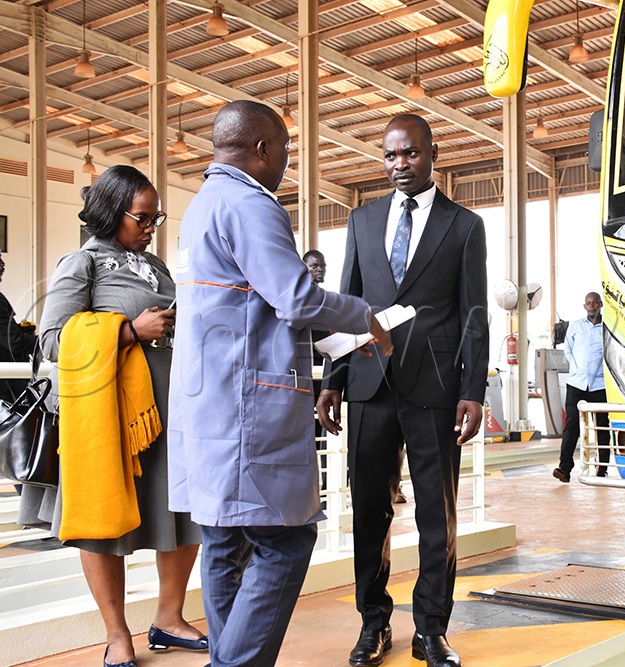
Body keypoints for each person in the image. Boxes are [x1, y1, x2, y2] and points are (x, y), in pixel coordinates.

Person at [167, 100, 391, 667]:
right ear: (263, 149)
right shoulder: (250, 204)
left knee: (224, 543)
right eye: (287, 151)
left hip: (207, 401)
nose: (287, 163)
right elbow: (296, 298)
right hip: (246, 404)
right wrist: (363, 315)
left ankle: (228, 657)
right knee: (287, 541)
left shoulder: (200, 205)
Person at [317, 114, 489, 667]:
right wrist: (333, 380)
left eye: (410, 154)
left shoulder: (464, 226)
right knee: (370, 511)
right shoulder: (362, 221)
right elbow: (347, 305)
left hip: (435, 387)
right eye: (391, 155)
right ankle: (373, 623)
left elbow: (475, 313)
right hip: (369, 383)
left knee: (437, 514)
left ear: (433, 153)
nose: (399, 165)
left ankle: (431, 629)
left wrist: (474, 389)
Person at [18, 165, 205, 667]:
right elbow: (52, 341)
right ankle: (117, 634)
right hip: (112, 419)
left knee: (182, 511)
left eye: (155, 218)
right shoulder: (82, 263)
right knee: (103, 522)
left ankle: (169, 619)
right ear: (110, 213)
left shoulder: (157, 265)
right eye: (142, 218)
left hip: (170, 411)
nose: (150, 228)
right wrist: (129, 330)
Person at [553, 292, 610, 483]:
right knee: (571, 426)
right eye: (588, 303)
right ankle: (564, 469)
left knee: (601, 427)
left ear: (600, 305)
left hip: (599, 385)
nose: (592, 306)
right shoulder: (576, 326)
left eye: (595, 303)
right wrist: (577, 368)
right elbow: (568, 350)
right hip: (576, 384)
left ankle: (602, 470)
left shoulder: (607, 328)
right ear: (584, 306)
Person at [0, 251, 37, 403]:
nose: (2, 264)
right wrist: (49, 341)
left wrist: (20, 330)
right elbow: (15, 342)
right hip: (8, 392)